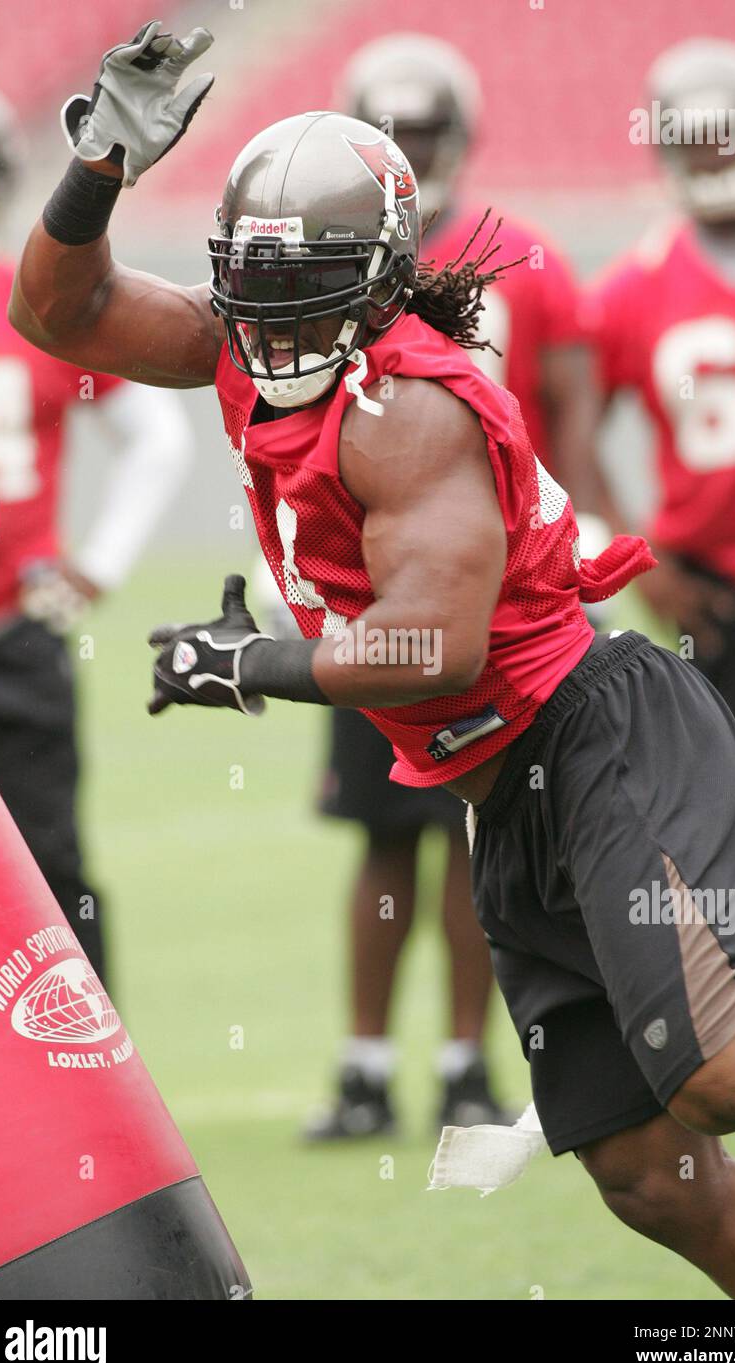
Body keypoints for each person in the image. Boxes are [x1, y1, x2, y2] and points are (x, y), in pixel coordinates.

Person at [10, 21, 735, 1298]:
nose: (271, 317)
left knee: (732, 1073)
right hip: (504, 789)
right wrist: (100, 163)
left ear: (381, 281)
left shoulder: (415, 411)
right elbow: (58, 309)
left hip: (593, 738)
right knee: (646, 1173)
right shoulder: (255, 353)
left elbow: (427, 645)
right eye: (252, 277)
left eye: (305, 280)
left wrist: (252, 664)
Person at [305, 33, 595, 1138]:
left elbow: (561, 429)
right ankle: (367, 1065)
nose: (404, 153)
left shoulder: (522, 255)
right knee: (384, 835)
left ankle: (469, 1063)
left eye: (420, 135)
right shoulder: (321, 250)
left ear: (457, 140)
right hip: (366, 580)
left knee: (488, 836)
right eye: (386, 132)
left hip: (497, 589)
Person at [0, 74, 193, 979]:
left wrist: (96, 566)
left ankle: (90, 1085)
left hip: (11, 635)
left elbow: (156, 440)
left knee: (48, 875)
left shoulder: (38, 305)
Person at [585, 38, 735, 857]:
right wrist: (638, 558)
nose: (717, 153)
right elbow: (577, 431)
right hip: (722, 599)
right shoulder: (632, 287)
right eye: (698, 137)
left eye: (729, 133)